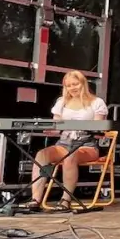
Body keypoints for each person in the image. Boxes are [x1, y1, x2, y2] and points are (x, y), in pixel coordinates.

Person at [29, 69, 109, 209]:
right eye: (68, 85)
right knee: (41, 155)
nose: (72, 88)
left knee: (70, 157)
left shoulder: (97, 102)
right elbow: (56, 126)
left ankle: (66, 200)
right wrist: (50, 130)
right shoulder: (61, 102)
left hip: (86, 145)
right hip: (64, 143)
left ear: (83, 84)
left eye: (75, 84)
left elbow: (99, 127)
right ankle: (35, 199)